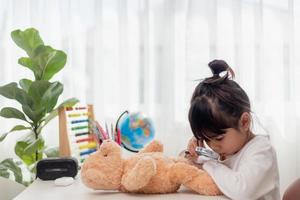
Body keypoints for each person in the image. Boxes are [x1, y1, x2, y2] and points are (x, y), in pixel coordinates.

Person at [185, 60, 280, 200]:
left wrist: (206, 162)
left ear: (244, 122)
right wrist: (194, 154)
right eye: (206, 139)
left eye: (218, 138)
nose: (213, 146)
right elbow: (191, 162)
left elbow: (242, 191)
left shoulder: (262, 150)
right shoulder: (225, 150)